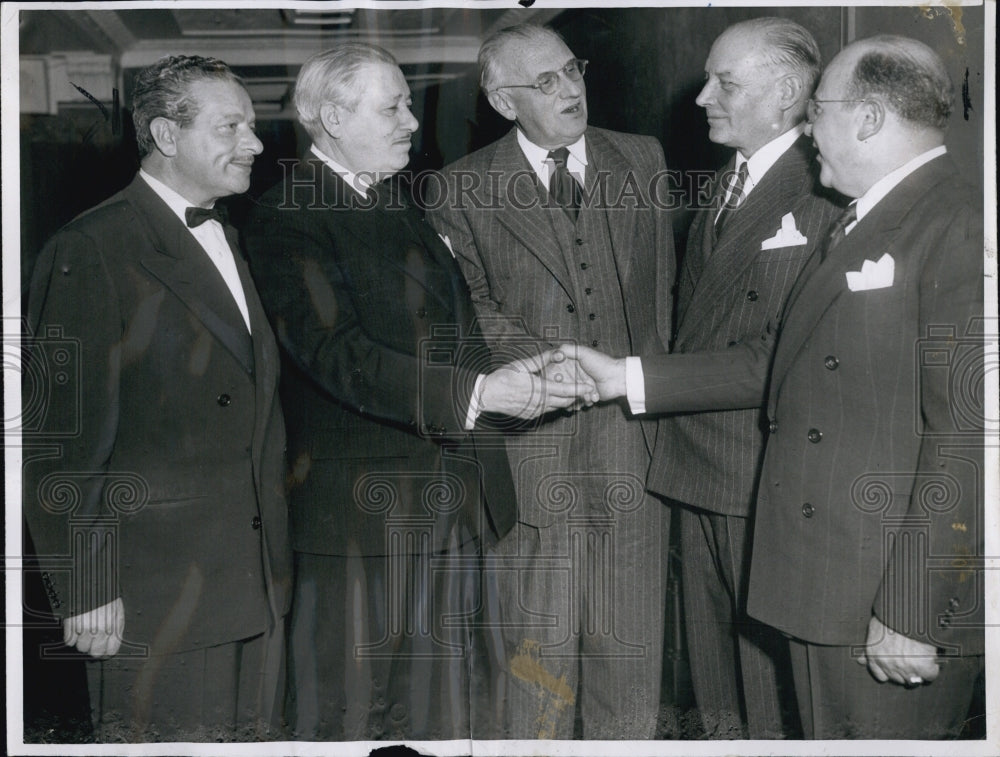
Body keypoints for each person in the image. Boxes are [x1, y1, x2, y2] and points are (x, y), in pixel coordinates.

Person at [565, 33, 985, 739]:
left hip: (881, 589)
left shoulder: (958, 223)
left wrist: (911, 611)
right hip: (831, 577)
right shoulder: (870, 216)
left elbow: (969, 437)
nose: (807, 129)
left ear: (870, 118)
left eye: (817, 108)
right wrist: (622, 375)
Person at [241, 43, 592, 741]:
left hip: (448, 509)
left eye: (407, 102)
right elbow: (337, 354)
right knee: (346, 717)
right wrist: (478, 393)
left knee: (443, 716)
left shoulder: (395, 199)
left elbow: (448, 331)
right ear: (332, 118)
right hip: (361, 530)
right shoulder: (289, 214)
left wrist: (528, 376)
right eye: (392, 106)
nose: (411, 121)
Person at [22, 55, 292, 741]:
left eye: (253, 125)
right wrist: (85, 588)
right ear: (167, 137)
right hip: (156, 596)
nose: (255, 143)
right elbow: (61, 439)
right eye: (231, 126)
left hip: (251, 581)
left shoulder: (231, 233)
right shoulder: (92, 245)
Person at [427, 23, 674, 739]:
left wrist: (640, 390)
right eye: (546, 82)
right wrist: (563, 365)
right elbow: (469, 310)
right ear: (504, 102)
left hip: (636, 453)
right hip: (533, 457)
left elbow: (663, 301)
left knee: (631, 672)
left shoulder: (644, 159)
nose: (570, 90)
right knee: (535, 671)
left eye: (573, 70)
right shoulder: (461, 187)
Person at [647, 18, 843, 738]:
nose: (702, 97)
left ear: (787, 92)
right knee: (717, 690)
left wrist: (635, 380)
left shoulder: (824, 189)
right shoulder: (726, 183)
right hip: (698, 470)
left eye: (725, 82)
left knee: (767, 697)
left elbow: (781, 353)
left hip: (761, 478)